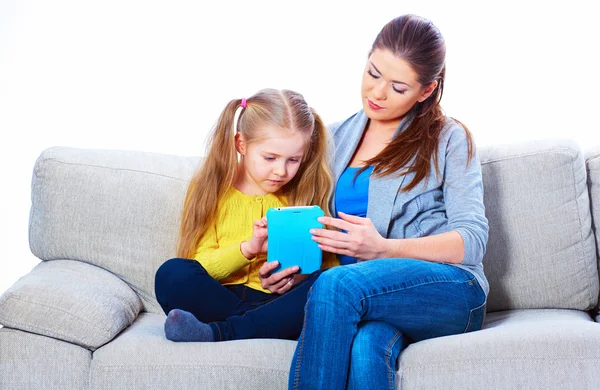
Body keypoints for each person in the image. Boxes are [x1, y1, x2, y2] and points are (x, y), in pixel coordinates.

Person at [260, 14, 489, 389]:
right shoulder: (333, 138)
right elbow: (325, 234)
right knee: (366, 345)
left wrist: (384, 248)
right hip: (368, 296)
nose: (377, 93)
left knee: (337, 286)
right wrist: (293, 271)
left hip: (452, 290)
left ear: (426, 90)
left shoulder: (449, 138)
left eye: (398, 87)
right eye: (373, 72)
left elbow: (473, 239)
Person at [154, 88, 337, 343]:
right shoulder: (213, 189)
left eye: (293, 160)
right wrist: (247, 249)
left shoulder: (307, 190)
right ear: (241, 144)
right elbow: (200, 267)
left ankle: (221, 332)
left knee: (331, 284)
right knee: (171, 274)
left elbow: (331, 272)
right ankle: (262, 326)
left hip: (280, 300)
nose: (281, 171)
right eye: (270, 157)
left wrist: (295, 278)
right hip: (221, 297)